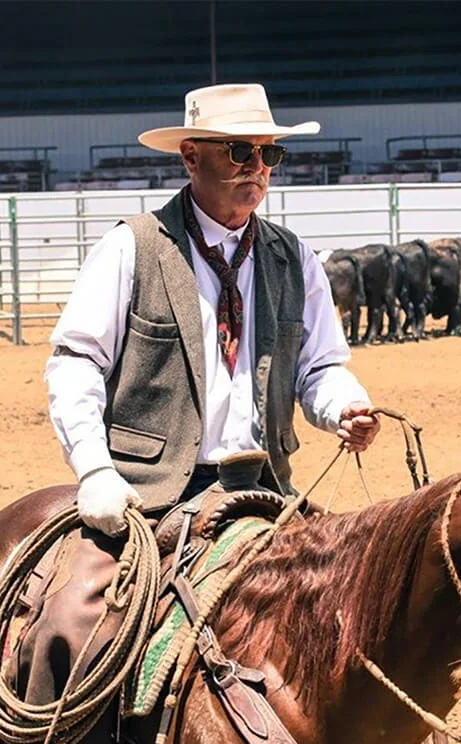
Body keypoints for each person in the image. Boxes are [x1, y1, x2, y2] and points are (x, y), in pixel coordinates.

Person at [45, 83, 380, 535]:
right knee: (87, 603)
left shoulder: (293, 257)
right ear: (190, 157)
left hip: (265, 485)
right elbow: (76, 363)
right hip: (151, 493)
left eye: (270, 155)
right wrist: (94, 470)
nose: (258, 168)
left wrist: (346, 406)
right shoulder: (130, 248)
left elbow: (319, 367)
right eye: (240, 152)